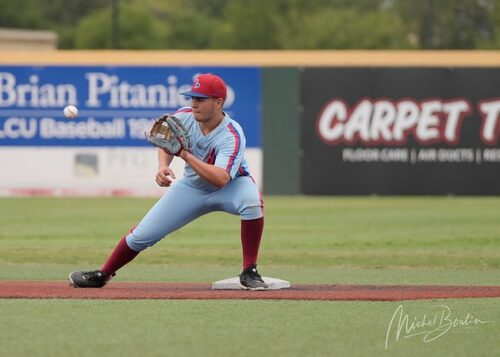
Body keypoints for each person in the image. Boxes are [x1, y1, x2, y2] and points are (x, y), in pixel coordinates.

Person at [68, 73, 268, 290]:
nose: (194, 104)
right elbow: (166, 141)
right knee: (141, 236)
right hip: (192, 187)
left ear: (219, 102)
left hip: (232, 186)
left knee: (252, 202)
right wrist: (163, 165)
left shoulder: (231, 134)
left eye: (200, 99)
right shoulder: (183, 117)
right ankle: (103, 274)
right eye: (192, 98)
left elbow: (220, 179)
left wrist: (186, 156)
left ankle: (249, 270)